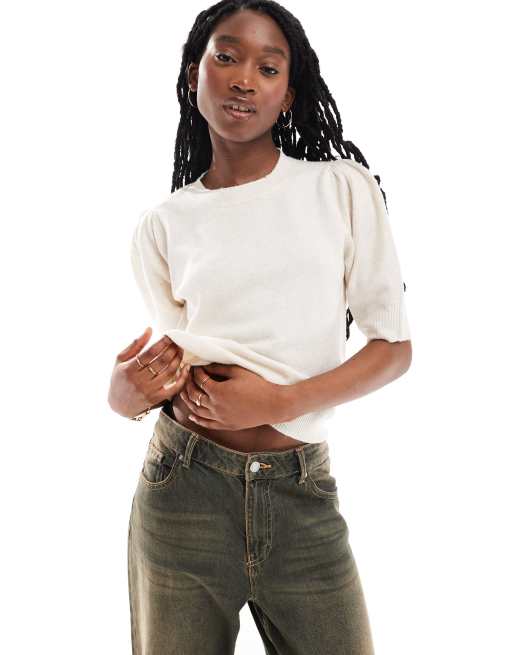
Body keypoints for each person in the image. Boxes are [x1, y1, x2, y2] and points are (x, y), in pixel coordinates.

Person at [108, 2, 412, 653]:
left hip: (300, 492)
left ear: (287, 94)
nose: (244, 79)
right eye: (226, 57)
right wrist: (125, 398)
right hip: (182, 489)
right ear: (193, 75)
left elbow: (392, 348)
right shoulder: (162, 225)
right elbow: (173, 359)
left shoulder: (340, 189)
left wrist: (280, 401)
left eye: (268, 68)